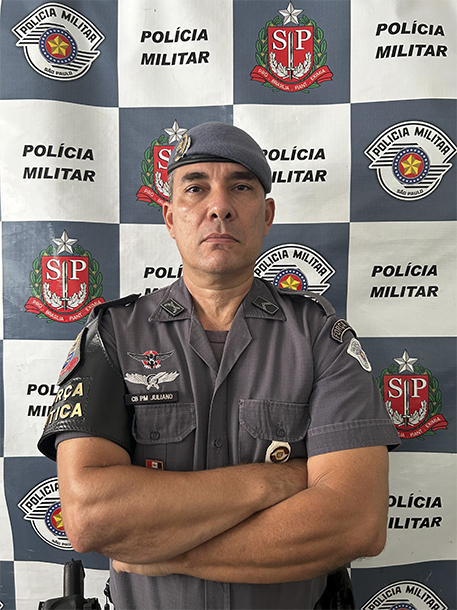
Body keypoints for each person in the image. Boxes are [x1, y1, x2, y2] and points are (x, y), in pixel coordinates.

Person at [38, 122, 400, 610]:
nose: (220, 206)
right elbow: (91, 517)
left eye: (241, 187)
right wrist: (278, 480)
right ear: (170, 218)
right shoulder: (112, 336)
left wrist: (164, 554)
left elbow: (355, 523)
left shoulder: (321, 337)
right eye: (195, 188)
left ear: (266, 215)